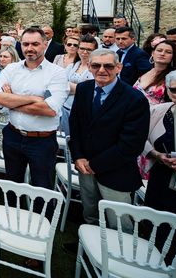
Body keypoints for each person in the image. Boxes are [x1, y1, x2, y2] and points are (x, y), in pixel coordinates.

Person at [68, 49, 149, 233]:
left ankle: (119, 260)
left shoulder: (134, 99)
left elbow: (132, 144)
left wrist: (95, 164)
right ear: (89, 66)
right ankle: (90, 249)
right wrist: (78, 156)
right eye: (96, 65)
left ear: (118, 67)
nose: (102, 70)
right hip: (85, 168)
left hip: (115, 171)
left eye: (108, 66)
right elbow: (76, 125)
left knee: (119, 223)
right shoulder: (83, 89)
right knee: (90, 213)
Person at [0, 27, 69, 192]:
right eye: (25, 44)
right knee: (12, 187)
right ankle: (14, 216)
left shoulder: (57, 73)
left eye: (35, 44)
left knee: (42, 190)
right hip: (12, 136)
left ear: (45, 44)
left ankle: (42, 218)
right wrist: (34, 99)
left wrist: (12, 99)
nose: (29, 48)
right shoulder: (11, 69)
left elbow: (49, 109)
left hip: (42, 141)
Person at [143, 70, 176, 219]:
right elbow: (140, 138)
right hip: (160, 180)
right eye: (175, 89)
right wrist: (157, 155)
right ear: (168, 90)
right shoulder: (157, 111)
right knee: (155, 224)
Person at [60, 35, 97, 135]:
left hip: (84, 111)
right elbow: (60, 85)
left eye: (89, 49)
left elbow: (92, 90)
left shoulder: (97, 68)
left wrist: (71, 86)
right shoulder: (72, 66)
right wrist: (79, 87)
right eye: (82, 48)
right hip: (66, 108)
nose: (85, 52)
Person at [133, 39, 176, 105]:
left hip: (157, 113)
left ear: (173, 56)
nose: (162, 54)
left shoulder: (175, 77)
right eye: (159, 50)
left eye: (168, 52)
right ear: (152, 53)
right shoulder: (145, 72)